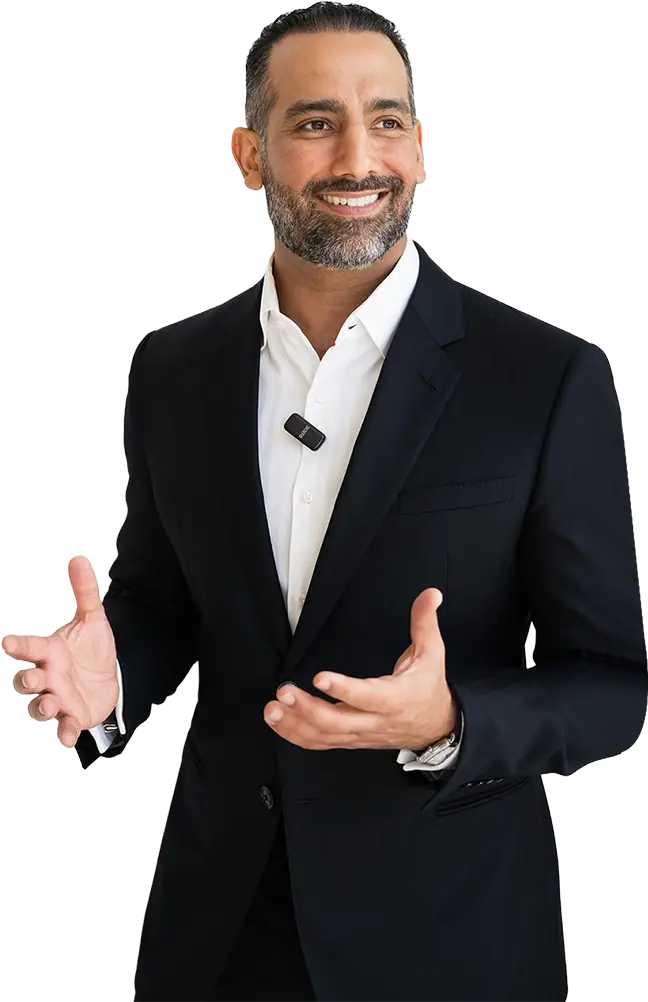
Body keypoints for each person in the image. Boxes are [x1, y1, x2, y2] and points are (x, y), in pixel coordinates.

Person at [4, 3, 647, 1000]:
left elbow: (624, 683)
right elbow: (165, 604)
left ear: (420, 148)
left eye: (386, 120)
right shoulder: (175, 368)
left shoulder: (544, 378)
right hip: (217, 939)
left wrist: (453, 720)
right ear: (248, 155)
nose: (359, 157)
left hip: (445, 945)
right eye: (315, 122)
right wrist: (115, 674)